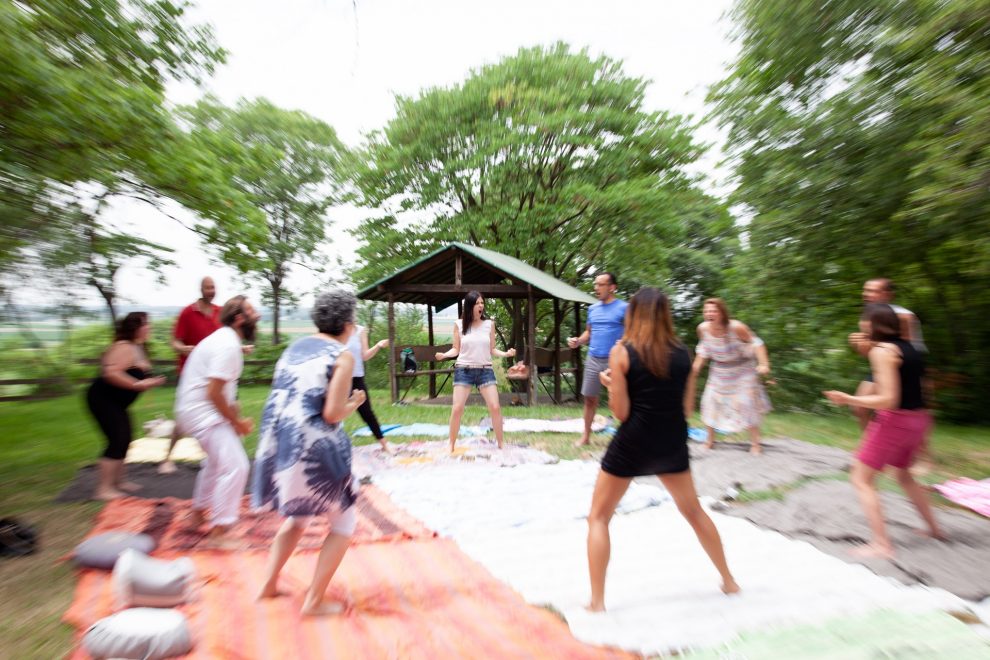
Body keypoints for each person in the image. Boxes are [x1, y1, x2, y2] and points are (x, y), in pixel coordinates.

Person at [588, 288, 739, 612]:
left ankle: (597, 602)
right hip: (671, 439)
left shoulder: (621, 351)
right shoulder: (682, 352)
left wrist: (612, 385)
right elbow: (686, 409)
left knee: (598, 517)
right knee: (694, 512)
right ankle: (729, 580)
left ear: (633, 314)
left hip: (633, 441)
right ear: (665, 315)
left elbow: (620, 413)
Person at [253, 291, 367, 615]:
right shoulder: (342, 355)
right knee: (343, 522)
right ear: (348, 324)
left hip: (281, 441)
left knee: (297, 517)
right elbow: (332, 413)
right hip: (314, 446)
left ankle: (268, 585)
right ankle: (314, 602)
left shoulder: (295, 348)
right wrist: (354, 403)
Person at [824, 303, 942, 559]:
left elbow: (888, 399)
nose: (860, 326)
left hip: (895, 422)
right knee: (904, 475)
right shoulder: (910, 348)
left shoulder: (882, 351)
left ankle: (881, 545)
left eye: (863, 321)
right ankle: (935, 530)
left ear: (871, 324)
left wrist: (848, 399)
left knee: (861, 478)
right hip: (919, 420)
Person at [175, 295, 259, 548]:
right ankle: (219, 533)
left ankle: (197, 515)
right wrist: (237, 422)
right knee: (237, 466)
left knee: (215, 463)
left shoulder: (225, 340)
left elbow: (221, 390)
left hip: (195, 411)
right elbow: (213, 393)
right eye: (252, 311)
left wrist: (234, 416)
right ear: (239, 319)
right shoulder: (228, 345)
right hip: (203, 412)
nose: (257, 315)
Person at [86, 312, 166, 500]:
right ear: (134, 328)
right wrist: (138, 384)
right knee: (117, 439)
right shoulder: (124, 346)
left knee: (125, 438)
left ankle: (119, 482)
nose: (149, 327)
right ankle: (103, 489)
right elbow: (110, 373)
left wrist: (149, 382)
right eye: (145, 324)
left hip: (116, 402)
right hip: (103, 399)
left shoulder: (137, 347)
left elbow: (134, 373)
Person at [435, 291, 516, 452]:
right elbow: (456, 349)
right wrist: (444, 355)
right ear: (470, 306)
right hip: (463, 370)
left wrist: (506, 354)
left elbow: (492, 349)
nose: (481, 306)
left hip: (485, 371)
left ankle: (501, 444)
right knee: (457, 408)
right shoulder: (459, 324)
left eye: (482, 303)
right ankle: (451, 445)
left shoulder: (489, 325)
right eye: (477, 303)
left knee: (495, 407)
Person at [691, 298, 771, 454]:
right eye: (706, 311)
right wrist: (694, 370)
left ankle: (755, 444)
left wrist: (764, 364)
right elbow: (703, 350)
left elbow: (757, 343)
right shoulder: (702, 329)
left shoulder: (736, 327)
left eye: (714, 311)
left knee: (746, 403)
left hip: (743, 369)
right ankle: (709, 441)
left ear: (722, 313)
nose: (709, 314)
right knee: (709, 401)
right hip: (719, 370)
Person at [159, 277, 221, 474]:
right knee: (183, 418)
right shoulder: (188, 312)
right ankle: (167, 459)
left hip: (213, 373)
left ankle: (214, 459)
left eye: (213, 287)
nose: (211, 290)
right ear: (201, 289)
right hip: (190, 374)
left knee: (219, 415)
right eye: (208, 287)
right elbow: (175, 342)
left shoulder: (219, 312)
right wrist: (183, 348)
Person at [848, 278, 926, 430]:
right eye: (865, 290)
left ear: (887, 294)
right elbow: (868, 353)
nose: (865, 294)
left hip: (905, 367)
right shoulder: (869, 315)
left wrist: (870, 343)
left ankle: (899, 442)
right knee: (859, 408)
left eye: (871, 291)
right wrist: (858, 344)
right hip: (883, 365)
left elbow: (902, 348)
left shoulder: (903, 316)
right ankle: (872, 442)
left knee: (903, 410)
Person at [568, 272, 628, 447]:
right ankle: (585, 437)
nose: (596, 288)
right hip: (593, 358)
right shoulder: (593, 309)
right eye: (595, 284)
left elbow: (633, 332)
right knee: (589, 398)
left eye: (601, 284)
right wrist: (578, 341)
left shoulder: (625, 308)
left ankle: (625, 438)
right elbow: (589, 332)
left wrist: (624, 342)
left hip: (615, 360)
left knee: (619, 399)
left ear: (612, 287)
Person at [345, 324, 391, 453]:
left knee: (367, 413)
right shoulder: (335, 328)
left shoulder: (360, 330)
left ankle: (385, 445)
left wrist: (378, 345)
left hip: (356, 378)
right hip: (339, 377)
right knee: (334, 413)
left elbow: (364, 356)